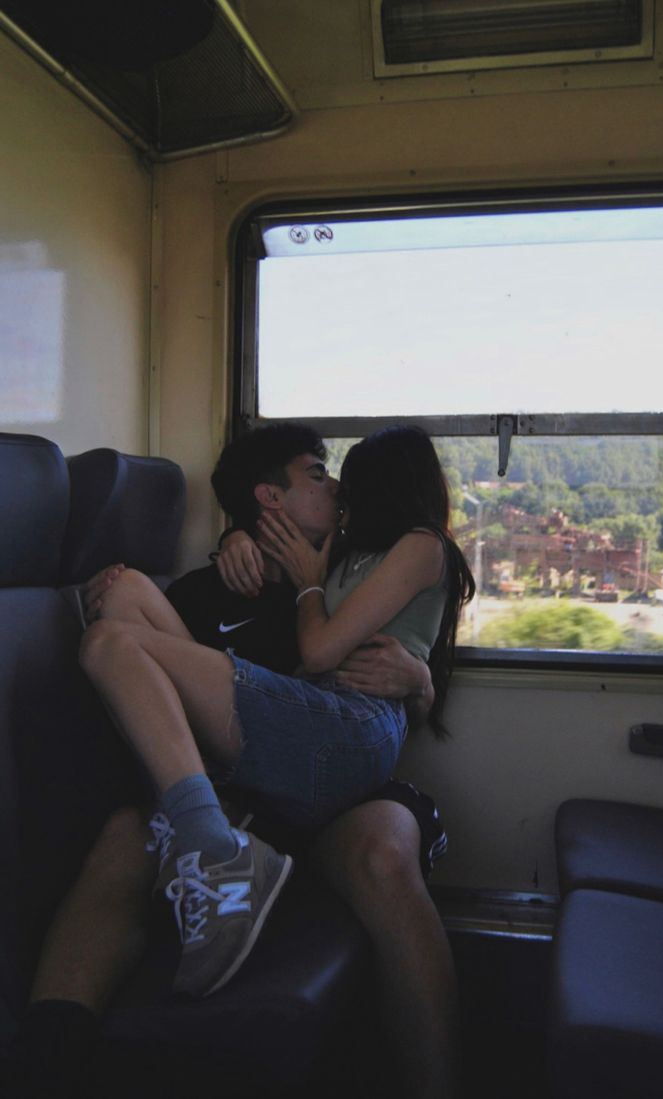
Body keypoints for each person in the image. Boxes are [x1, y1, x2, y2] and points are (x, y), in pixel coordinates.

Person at [4, 423, 468, 1099]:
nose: (336, 485)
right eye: (317, 473)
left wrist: (420, 681)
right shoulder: (210, 587)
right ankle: (42, 1063)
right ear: (267, 501)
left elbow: (389, 664)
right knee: (123, 835)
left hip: (327, 774)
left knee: (383, 851)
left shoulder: (352, 566)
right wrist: (129, 582)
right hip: (239, 777)